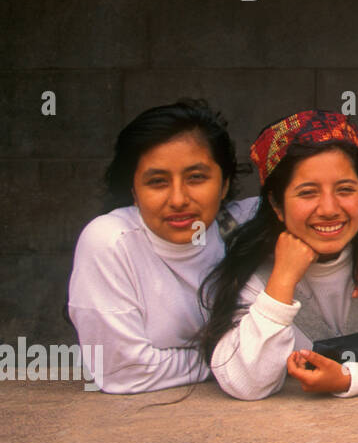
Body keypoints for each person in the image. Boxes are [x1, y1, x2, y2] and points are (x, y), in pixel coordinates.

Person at [199, 111, 358, 400]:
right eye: (307, 193)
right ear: (276, 204)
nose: (329, 208)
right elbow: (248, 383)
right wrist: (282, 281)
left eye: (345, 189)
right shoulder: (255, 276)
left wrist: (352, 378)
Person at [68, 99, 256, 393]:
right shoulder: (110, 241)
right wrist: (241, 363)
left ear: (224, 184)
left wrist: (356, 250)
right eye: (157, 181)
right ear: (133, 190)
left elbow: (329, 210)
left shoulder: (247, 224)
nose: (178, 199)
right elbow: (122, 372)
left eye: (196, 178)